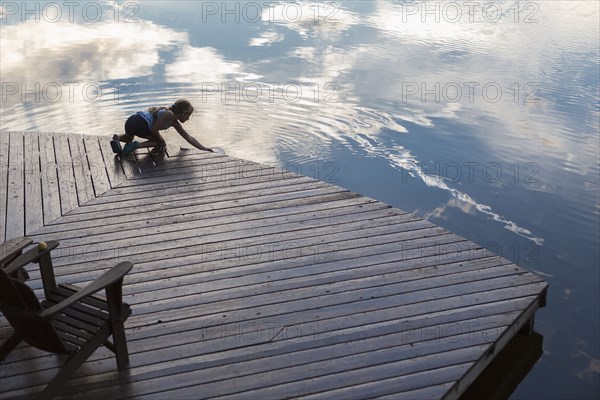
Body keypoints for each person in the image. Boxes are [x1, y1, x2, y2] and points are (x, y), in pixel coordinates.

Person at [111, 99, 213, 155]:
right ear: (183, 113)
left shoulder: (173, 120)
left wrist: (203, 148)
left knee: (128, 138)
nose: (188, 118)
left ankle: (117, 138)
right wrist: (162, 141)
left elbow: (188, 137)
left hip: (132, 120)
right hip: (141, 123)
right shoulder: (170, 115)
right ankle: (137, 145)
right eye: (188, 115)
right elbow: (153, 129)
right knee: (159, 143)